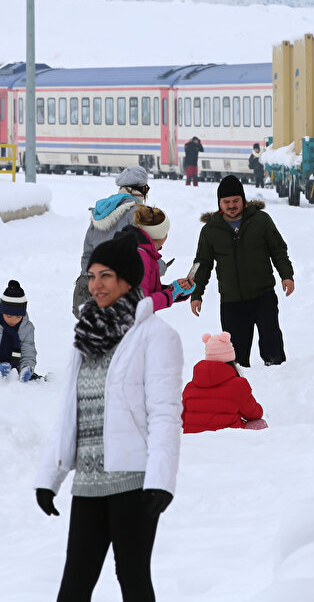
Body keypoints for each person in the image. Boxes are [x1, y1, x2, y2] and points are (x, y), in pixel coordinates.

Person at [34, 234, 183, 602]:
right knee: (75, 581)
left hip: (134, 483)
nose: (95, 284)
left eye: (106, 275)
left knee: (131, 577)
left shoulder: (157, 337)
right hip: (88, 483)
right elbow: (71, 413)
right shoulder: (85, 337)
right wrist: (49, 477)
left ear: (129, 280)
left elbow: (166, 414)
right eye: (92, 275)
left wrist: (161, 481)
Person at [189, 174, 294, 367]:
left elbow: (278, 249)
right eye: (226, 201)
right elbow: (202, 263)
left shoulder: (261, 220)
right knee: (235, 356)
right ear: (219, 203)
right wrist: (196, 293)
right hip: (232, 301)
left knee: (272, 345)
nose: (231, 205)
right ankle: (237, 387)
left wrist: (286, 275)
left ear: (243, 200)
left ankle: (279, 380)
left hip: (263, 295)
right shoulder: (211, 230)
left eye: (236, 200)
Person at [73, 165, 150, 318]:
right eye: (146, 189)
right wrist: (158, 267)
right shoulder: (136, 212)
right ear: (140, 189)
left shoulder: (100, 211)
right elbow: (143, 251)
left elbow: (88, 250)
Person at [182, 331, 267, 433]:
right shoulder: (238, 385)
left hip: (195, 438)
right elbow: (254, 414)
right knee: (260, 423)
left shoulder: (190, 387)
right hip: (228, 436)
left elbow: (182, 417)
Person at [126, 206, 192, 313]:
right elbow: (140, 303)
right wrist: (171, 294)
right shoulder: (140, 255)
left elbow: (145, 291)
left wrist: (175, 290)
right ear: (161, 236)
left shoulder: (139, 250)